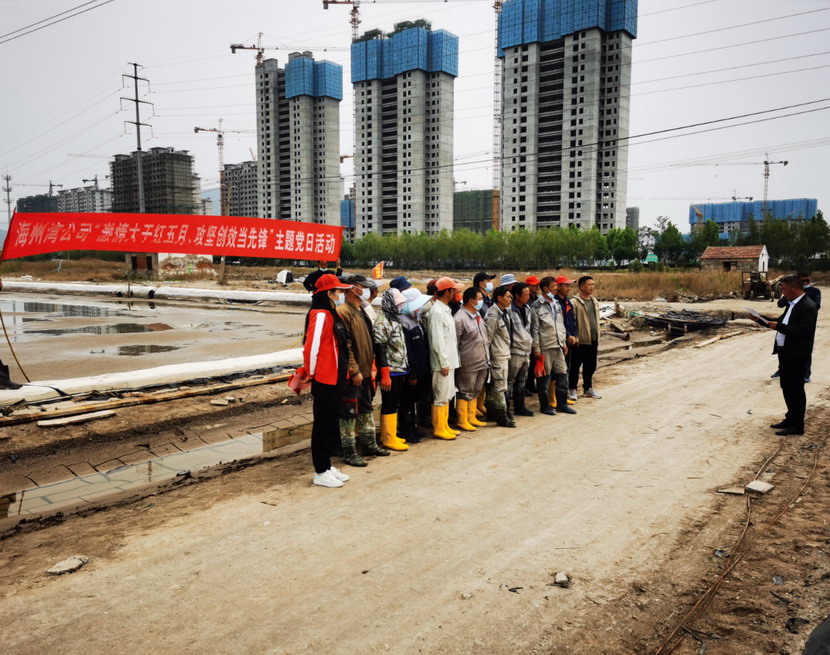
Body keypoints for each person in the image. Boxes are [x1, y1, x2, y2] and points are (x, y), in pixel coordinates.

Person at [302, 273, 353, 488]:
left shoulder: (332, 313)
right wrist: (312, 373)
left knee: (331, 422)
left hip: (336, 376)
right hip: (324, 377)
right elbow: (311, 347)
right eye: (338, 291)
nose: (341, 294)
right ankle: (320, 471)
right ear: (329, 293)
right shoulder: (320, 314)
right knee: (322, 424)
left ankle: (328, 465)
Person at [751, 275, 818, 436]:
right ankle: (790, 419)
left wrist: (779, 327)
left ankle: (797, 425)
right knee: (787, 387)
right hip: (786, 352)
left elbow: (803, 331)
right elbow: (780, 321)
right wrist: (759, 320)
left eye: (784, 289)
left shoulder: (808, 307)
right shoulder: (792, 305)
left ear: (794, 288)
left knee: (796, 390)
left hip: (797, 354)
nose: (782, 292)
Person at [336, 273, 389, 464]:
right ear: (353, 288)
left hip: (366, 371)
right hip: (354, 373)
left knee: (366, 409)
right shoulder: (343, 312)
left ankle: (369, 444)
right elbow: (345, 346)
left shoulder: (361, 310)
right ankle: (349, 451)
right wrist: (354, 370)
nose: (367, 290)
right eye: (363, 287)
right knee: (349, 413)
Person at [531, 276, 576, 416]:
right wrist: (536, 349)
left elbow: (560, 325)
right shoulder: (536, 306)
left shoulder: (556, 304)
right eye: (554, 286)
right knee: (544, 378)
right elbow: (534, 329)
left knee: (562, 375)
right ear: (546, 288)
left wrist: (563, 342)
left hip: (558, 346)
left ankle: (562, 404)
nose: (556, 288)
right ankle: (545, 405)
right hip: (545, 347)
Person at [426, 277, 464, 439]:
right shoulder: (437, 312)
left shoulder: (445, 310)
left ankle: (444, 425)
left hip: (450, 361)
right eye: (453, 290)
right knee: (440, 396)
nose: (455, 293)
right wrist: (443, 362)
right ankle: (439, 428)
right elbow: (437, 339)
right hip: (442, 363)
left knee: (447, 394)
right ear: (447, 291)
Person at [373, 288, 411, 451]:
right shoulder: (383, 321)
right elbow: (380, 348)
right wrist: (385, 374)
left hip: (400, 368)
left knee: (394, 402)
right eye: (398, 303)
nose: (401, 306)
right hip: (391, 370)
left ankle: (389, 433)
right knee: (389, 403)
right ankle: (388, 438)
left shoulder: (394, 319)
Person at [454, 286, 490, 431]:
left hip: (482, 359)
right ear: (471, 301)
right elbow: (455, 342)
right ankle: (462, 420)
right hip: (468, 362)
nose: (482, 301)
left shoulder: (477, 315)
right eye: (479, 299)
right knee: (465, 390)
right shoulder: (459, 319)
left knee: (476, 389)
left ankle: (471, 416)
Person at [399, 286, 432, 442]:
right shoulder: (403, 322)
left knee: (414, 400)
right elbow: (407, 350)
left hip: (421, 368)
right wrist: (411, 373)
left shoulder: (415, 319)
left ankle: (413, 428)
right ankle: (407, 431)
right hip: (412, 371)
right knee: (407, 402)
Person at [485, 285, 516, 428]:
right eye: (508, 297)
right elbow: (488, 339)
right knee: (499, 387)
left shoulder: (504, 312)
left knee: (498, 387)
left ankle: (496, 413)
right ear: (499, 298)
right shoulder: (493, 316)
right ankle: (502, 417)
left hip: (504, 353)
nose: (510, 299)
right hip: (497, 356)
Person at [570, 275, 602, 399]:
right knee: (575, 366)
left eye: (593, 284)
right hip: (580, 340)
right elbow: (572, 321)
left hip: (593, 339)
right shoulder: (574, 302)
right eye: (589, 285)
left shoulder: (594, 301)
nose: (592, 287)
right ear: (581, 286)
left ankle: (588, 388)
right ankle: (572, 389)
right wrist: (575, 336)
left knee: (590, 366)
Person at [507, 282, 535, 418]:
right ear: (517, 296)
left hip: (526, 350)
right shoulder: (509, 310)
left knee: (521, 380)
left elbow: (529, 329)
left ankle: (520, 407)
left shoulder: (528, 308)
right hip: (514, 350)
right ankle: (506, 409)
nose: (528, 297)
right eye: (526, 295)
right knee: (510, 381)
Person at [553, 276, 579, 402]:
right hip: (560, 340)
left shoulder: (568, 302)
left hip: (570, 340)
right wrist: (567, 335)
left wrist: (574, 335)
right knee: (559, 369)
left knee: (568, 367)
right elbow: (558, 323)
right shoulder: (555, 303)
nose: (568, 288)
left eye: (569, 285)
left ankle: (564, 392)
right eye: (566, 285)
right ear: (557, 286)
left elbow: (572, 320)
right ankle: (556, 395)